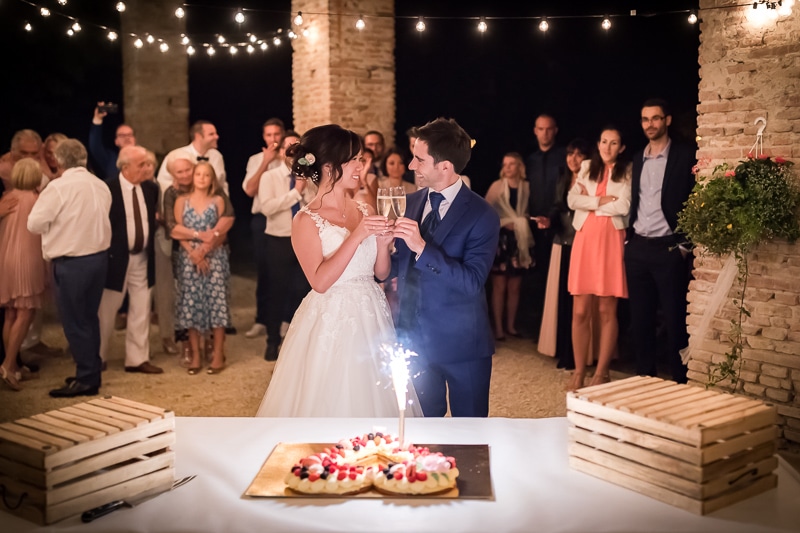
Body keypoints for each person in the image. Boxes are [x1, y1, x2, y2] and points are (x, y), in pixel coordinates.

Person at [256, 124, 422, 417]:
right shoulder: (306, 220)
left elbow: (380, 274)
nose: (362, 166)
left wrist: (383, 245)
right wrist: (357, 236)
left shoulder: (365, 210)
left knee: (376, 397)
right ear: (330, 167)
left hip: (372, 311)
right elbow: (319, 282)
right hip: (331, 317)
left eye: (361, 159)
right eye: (354, 160)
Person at [389, 117, 500, 417]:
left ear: (445, 167)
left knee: (470, 438)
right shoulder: (408, 203)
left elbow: (472, 282)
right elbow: (392, 269)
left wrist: (422, 248)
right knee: (422, 436)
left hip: (463, 348)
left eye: (419, 159)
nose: (411, 166)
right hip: (415, 345)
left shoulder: (482, 215)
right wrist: (381, 245)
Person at [27, 139, 112, 398]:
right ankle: (90, 372)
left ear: (58, 161)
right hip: (98, 260)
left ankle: (86, 378)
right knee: (88, 318)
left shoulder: (58, 188)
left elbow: (34, 223)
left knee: (76, 322)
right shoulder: (100, 185)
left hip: (73, 263)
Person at [626, 98, 696, 384]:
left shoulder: (684, 154)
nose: (650, 124)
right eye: (645, 119)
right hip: (639, 247)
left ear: (667, 120)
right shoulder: (637, 157)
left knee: (675, 318)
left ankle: (681, 381)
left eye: (655, 118)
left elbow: (695, 200)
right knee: (640, 321)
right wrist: (629, 242)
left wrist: (684, 246)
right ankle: (645, 380)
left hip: (669, 247)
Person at [566, 126, 632, 391]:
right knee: (580, 310)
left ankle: (601, 372)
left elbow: (624, 205)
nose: (607, 147)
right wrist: (602, 199)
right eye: (604, 141)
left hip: (611, 240)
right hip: (584, 238)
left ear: (622, 147)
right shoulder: (586, 166)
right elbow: (572, 200)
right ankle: (579, 370)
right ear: (598, 143)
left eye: (614, 143)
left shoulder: (627, 170)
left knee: (607, 310)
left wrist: (590, 201)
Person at [96, 146, 163, 375]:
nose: (147, 168)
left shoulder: (151, 188)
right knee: (106, 310)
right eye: (141, 165)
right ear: (125, 167)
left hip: (143, 258)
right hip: (116, 260)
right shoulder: (108, 189)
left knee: (141, 308)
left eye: (147, 164)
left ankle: (137, 359)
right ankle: (98, 357)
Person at [164, 158, 235, 367]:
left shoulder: (218, 201)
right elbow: (176, 230)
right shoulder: (181, 200)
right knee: (191, 306)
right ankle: (195, 355)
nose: (202, 178)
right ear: (193, 178)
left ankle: (217, 355)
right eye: (198, 174)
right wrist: (193, 253)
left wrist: (205, 249)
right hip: (189, 259)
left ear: (212, 178)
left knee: (217, 305)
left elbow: (222, 232)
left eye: (206, 175)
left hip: (215, 257)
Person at [258, 131, 314, 361]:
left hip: (304, 241)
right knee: (276, 293)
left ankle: (297, 343)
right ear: (281, 152)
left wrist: (305, 188)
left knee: (302, 292)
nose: (292, 154)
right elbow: (267, 208)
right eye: (288, 149)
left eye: (297, 149)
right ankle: (272, 342)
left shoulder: (311, 178)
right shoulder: (269, 178)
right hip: (278, 241)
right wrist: (295, 193)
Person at [538, 138, 592, 370]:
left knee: (578, 303)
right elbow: (556, 206)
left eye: (579, 154)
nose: (573, 159)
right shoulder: (562, 176)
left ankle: (579, 355)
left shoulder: (592, 180)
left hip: (584, 244)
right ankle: (562, 351)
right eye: (571, 153)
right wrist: (548, 220)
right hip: (562, 243)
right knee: (561, 299)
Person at [0, 159, 49, 391]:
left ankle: (15, 366)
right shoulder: (37, 201)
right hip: (27, 260)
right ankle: (9, 365)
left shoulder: (7, 198)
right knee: (25, 311)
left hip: (7, 259)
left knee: (11, 313)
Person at [523, 114, 567, 340]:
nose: (545, 133)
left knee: (558, 278)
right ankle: (542, 331)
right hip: (533, 226)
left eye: (549, 129)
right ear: (535, 131)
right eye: (541, 129)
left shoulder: (563, 157)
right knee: (538, 278)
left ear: (555, 130)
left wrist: (552, 217)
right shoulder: (530, 160)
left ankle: (558, 332)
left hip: (558, 225)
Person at [242, 118, 286, 339]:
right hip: (262, 219)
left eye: (277, 134)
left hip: (288, 217)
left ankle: (286, 319)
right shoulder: (256, 159)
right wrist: (265, 163)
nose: (273, 139)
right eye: (269, 135)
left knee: (288, 272)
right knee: (264, 270)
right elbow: (249, 190)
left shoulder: (290, 157)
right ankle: (262, 319)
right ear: (264, 137)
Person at [484, 152, 533, 341]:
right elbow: (486, 212)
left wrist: (521, 221)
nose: (508, 168)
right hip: (501, 240)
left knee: (515, 287)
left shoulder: (526, 187)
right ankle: (498, 328)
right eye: (505, 164)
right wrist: (505, 222)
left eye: (512, 164)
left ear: (520, 166)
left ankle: (511, 326)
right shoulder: (497, 186)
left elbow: (530, 211)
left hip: (519, 240)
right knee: (499, 286)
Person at [158, 120, 228, 195]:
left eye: (216, 133)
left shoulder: (217, 156)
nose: (217, 137)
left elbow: (222, 184)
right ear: (198, 136)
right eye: (211, 134)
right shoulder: (175, 155)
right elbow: (163, 185)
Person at [88, 102, 137, 181]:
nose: (127, 138)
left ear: (135, 139)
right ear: (116, 141)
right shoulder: (111, 159)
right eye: (122, 135)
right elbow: (95, 146)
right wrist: (98, 118)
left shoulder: (143, 157)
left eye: (130, 135)